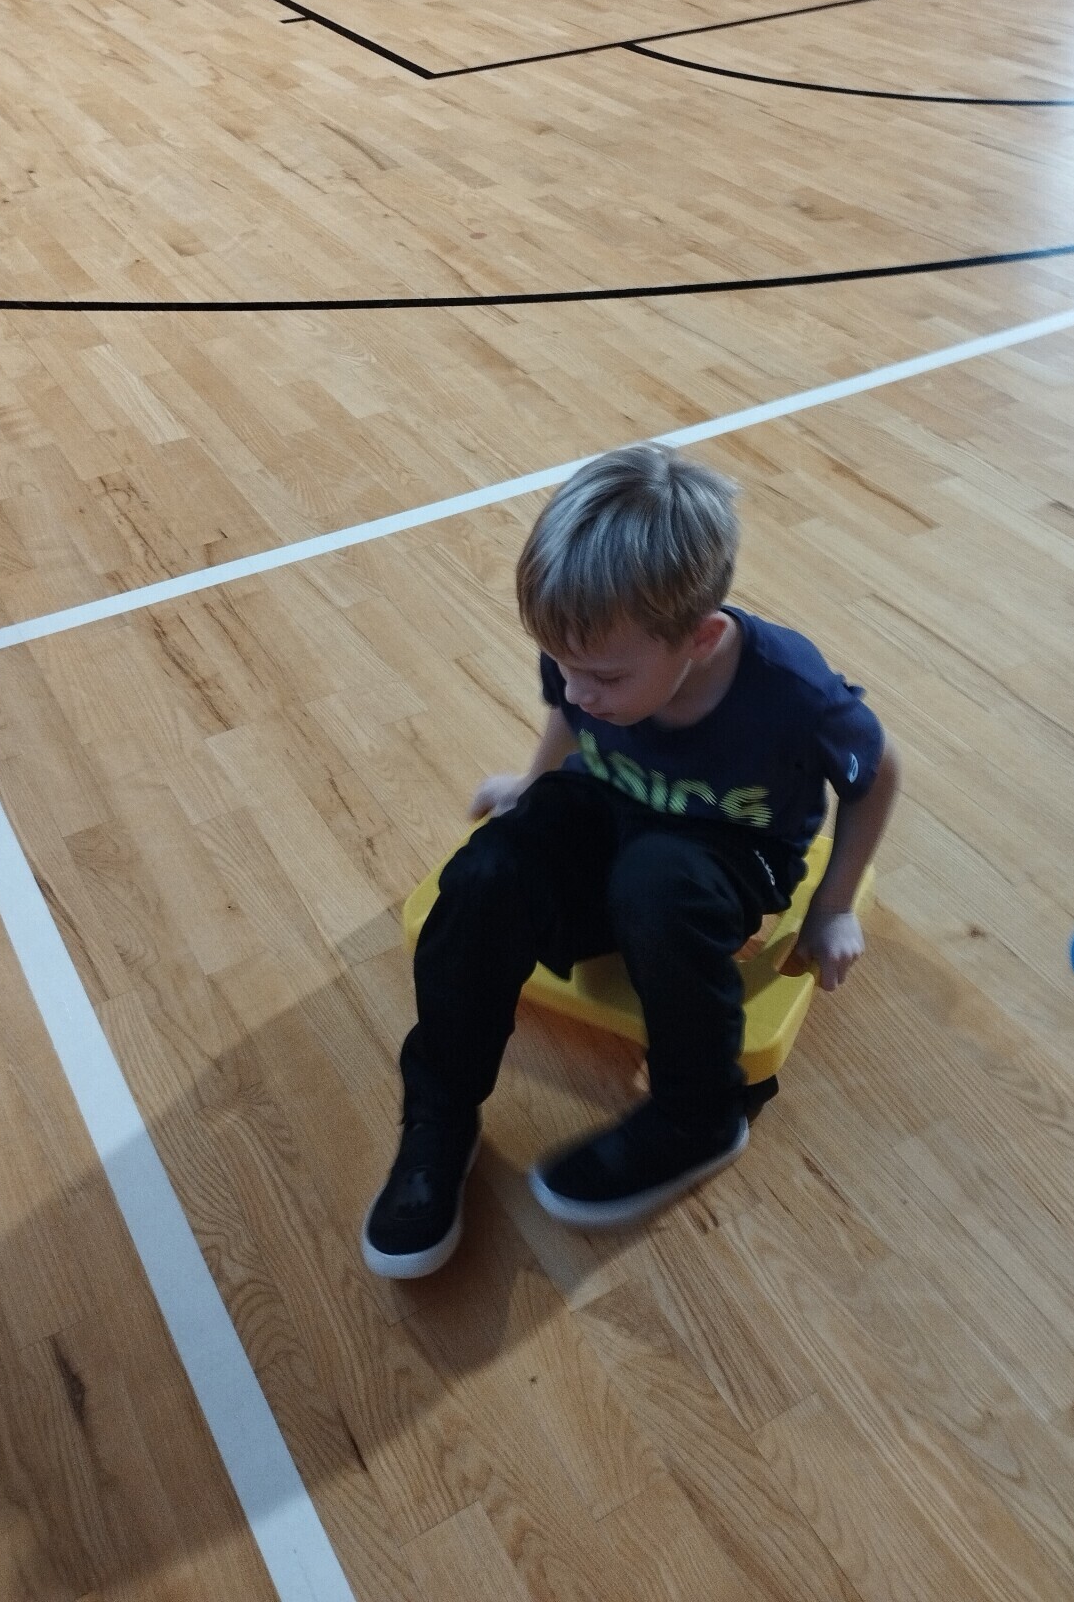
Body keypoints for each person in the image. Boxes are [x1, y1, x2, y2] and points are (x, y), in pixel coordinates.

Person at [362, 443, 898, 1277]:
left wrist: (832, 908)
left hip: (730, 855)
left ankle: (700, 1116)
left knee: (656, 884)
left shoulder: (791, 690)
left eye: (603, 676)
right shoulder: (591, 639)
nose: (578, 689)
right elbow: (571, 713)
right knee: (486, 875)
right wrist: (532, 783)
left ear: (701, 637)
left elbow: (877, 772)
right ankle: (440, 1116)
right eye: (564, 665)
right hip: (610, 807)